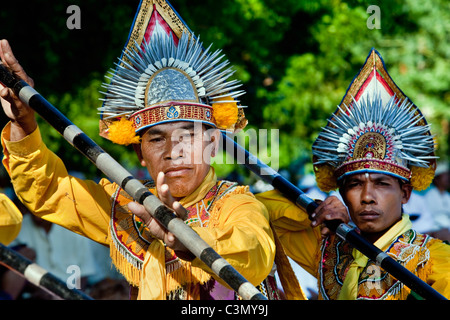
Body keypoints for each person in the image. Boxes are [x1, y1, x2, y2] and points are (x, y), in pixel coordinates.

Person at [0, 0, 286, 300]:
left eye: (188, 137)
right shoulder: (128, 206)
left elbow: (253, 250)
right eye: (157, 139)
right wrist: (24, 123)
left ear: (212, 144)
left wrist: (185, 239)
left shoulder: (237, 205)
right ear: (140, 153)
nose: (174, 151)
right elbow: (46, 190)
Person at [256, 49, 450, 300]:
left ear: (405, 193)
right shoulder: (329, 247)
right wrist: (314, 211)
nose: (367, 196)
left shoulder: (433, 259)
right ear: (343, 193)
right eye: (355, 184)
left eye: (381, 184)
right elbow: (256, 209)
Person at [424, 162, 450, 242]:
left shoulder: (447, 195)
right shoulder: (430, 195)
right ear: (436, 179)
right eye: (444, 176)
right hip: (435, 229)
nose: (447, 179)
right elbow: (429, 218)